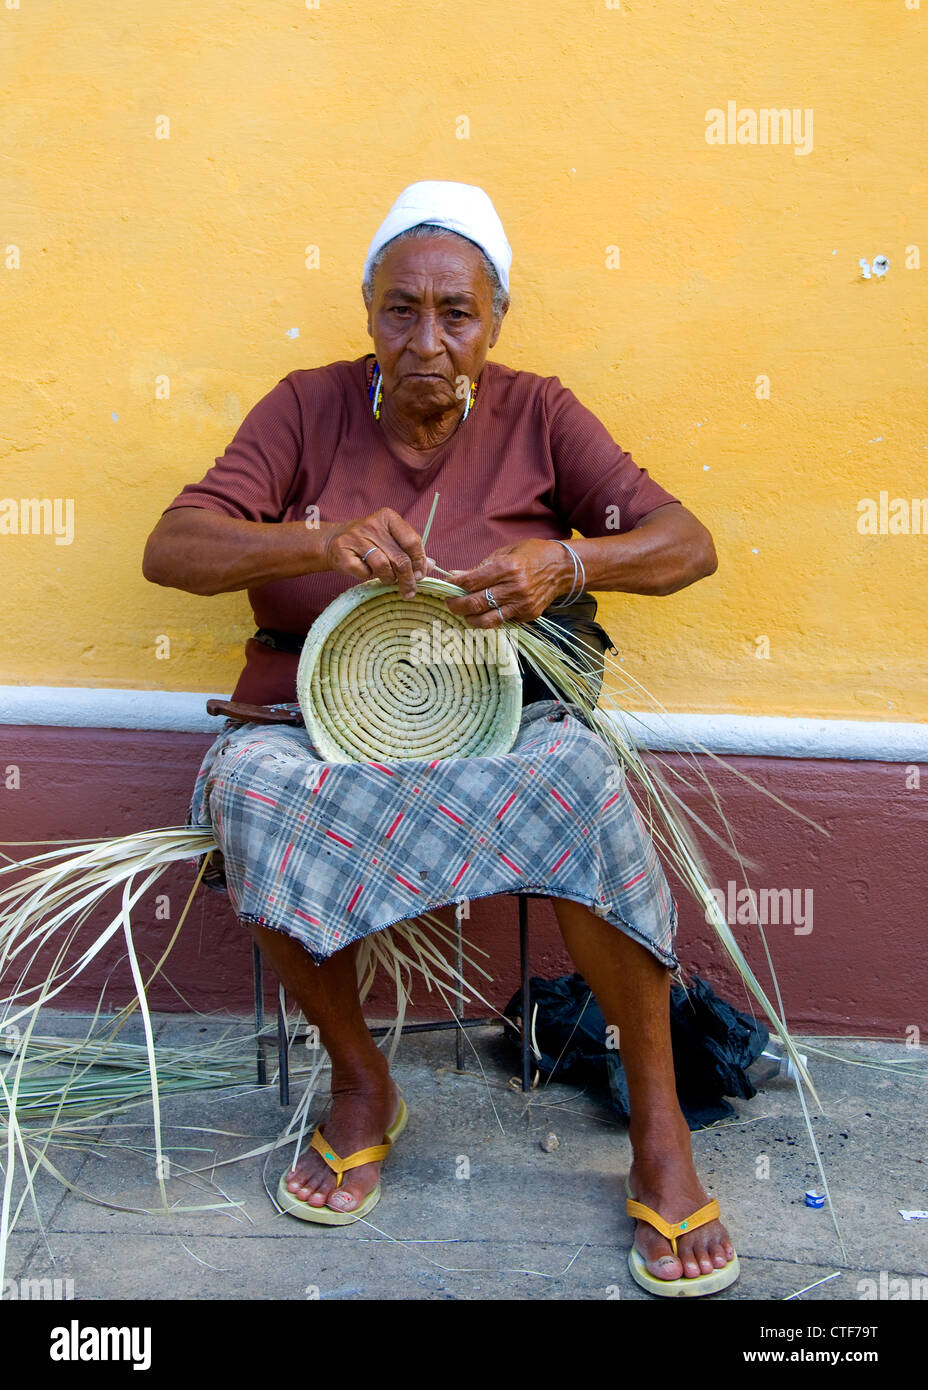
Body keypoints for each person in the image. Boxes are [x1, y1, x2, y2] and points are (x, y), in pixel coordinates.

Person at [143, 180, 738, 1296]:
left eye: (455, 314)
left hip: (502, 716)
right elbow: (172, 548)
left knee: (582, 779)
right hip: (316, 721)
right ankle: (361, 1079)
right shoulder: (306, 406)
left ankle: (658, 1127)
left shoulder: (538, 412)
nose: (427, 340)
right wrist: (313, 539)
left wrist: (570, 561)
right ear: (368, 315)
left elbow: (684, 542)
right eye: (400, 311)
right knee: (255, 790)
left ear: (495, 323)